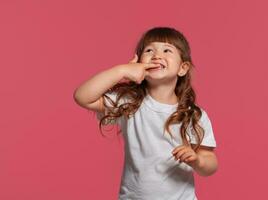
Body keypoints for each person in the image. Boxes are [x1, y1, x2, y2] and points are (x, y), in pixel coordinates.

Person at [73, 26, 218, 200]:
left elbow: (210, 162)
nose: (157, 55)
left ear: (183, 68)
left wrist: (197, 160)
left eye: (167, 50)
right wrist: (122, 70)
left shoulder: (194, 115)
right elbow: (83, 97)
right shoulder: (129, 103)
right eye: (149, 50)